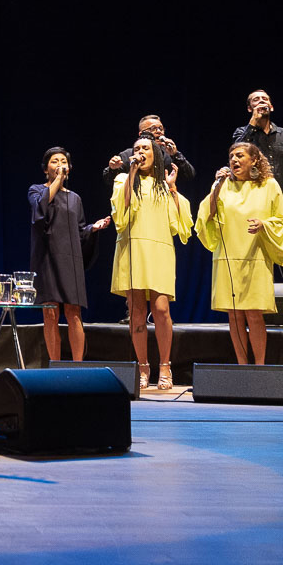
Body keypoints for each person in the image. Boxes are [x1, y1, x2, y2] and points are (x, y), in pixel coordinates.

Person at [196, 143, 283, 367]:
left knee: (254, 313)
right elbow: (205, 217)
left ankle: (259, 367)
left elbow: (281, 221)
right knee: (234, 314)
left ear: (254, 160)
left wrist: (264, 224)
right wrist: (217, 186)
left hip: (255, 256)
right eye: (231, 156)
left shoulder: (269, 185)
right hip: (227, 256)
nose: (234, 160)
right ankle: (242, 366)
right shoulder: (223, 185)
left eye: (240, 155)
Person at [111, 135, 191, 390]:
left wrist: (173, 189)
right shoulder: (123, 179)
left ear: (155, 154)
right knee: (136, 311)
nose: (140, 152)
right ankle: (143, 366)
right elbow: (121, 212)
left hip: (159, 248)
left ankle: (165, 366)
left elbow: (180, 224)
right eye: (136, 149)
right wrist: (131, 172)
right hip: (132, 248)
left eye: (145, 148)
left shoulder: (163, 184)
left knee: (161, 309)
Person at [30, 147, 111, 363]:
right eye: (54, 161)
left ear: (70, 167)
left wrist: (93, 228)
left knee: (74, 311)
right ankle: (55, 365)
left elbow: (80, 229)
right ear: (46, 169)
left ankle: (78, 366)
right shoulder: (36, 190)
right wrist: (57, 180)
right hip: (46, 258)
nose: (59, 165)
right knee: (50, 313)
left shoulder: (75, 198)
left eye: (63, 161)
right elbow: (40, 211)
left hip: (70, 259)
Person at [232, 90, 283, 282]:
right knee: (256, 254)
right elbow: (236, 153)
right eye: (256, 100)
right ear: (249, 108)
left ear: (271, 106)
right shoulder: (242, 133)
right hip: (255, 200)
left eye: (265, 99)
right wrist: (252, 123)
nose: (261, 102)